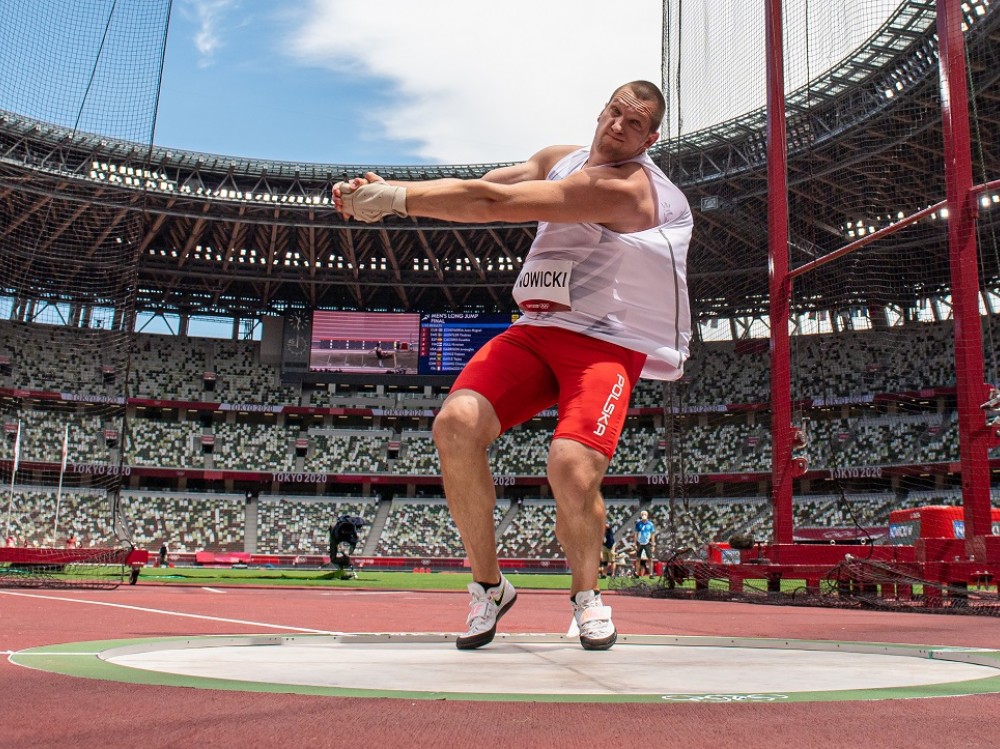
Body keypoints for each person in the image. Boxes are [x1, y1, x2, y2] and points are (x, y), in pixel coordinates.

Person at [334, 81, 692, 650]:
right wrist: (397, 187)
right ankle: (488, 588)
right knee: (454, 425)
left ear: (650, 138)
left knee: (570, 467)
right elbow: (490, 183)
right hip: (536, 332)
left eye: (635, 122)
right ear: (601, 111)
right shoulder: (557, 159)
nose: (619, 125)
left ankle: (586, 596)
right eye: (615, 111)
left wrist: (398, 202)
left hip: (603, 342)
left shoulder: (628, 190)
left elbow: (492, 205)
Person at [634, 510, 656, 577]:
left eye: (645, 514)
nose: (644, 515)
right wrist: (635, 544)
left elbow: (652, 535)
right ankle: (637, 573)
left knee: (650, 558)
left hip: (647, 543)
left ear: (647, 515)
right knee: (638, 558)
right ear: (641, 515)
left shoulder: (650, 524)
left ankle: (651, 573)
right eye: (642, 514)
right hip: (639, 543)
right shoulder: (638, 524)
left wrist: (653, 545)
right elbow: (635, 534)